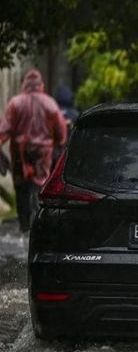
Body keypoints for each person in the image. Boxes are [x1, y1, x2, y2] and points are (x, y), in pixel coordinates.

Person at [0, 70, 68, 232]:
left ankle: (24, 227)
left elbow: (3, 131)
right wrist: (56, 144)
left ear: (24, 84)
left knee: (21, 189)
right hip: (42, 154)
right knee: (40, 188)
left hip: (19, 153)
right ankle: (38, 228)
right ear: (40, 85)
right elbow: (61, 135)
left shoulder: (15, 103)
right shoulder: (50, 104)